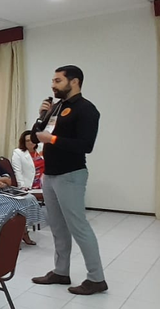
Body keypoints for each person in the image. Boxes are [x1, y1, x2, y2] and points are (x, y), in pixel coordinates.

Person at [31, 65, 107, 295]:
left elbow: (86, 146)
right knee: (57, 227)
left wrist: (52, 139)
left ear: (74, 82)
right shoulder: (57, 107)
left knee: (79, 227)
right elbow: (36, 134)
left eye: (57, 80)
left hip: (70, 174)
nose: (53, 85)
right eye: (52, 81)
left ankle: (96, 278)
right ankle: (61, 271)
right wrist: (41, 116)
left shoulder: (86, 110)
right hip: (50, 175)